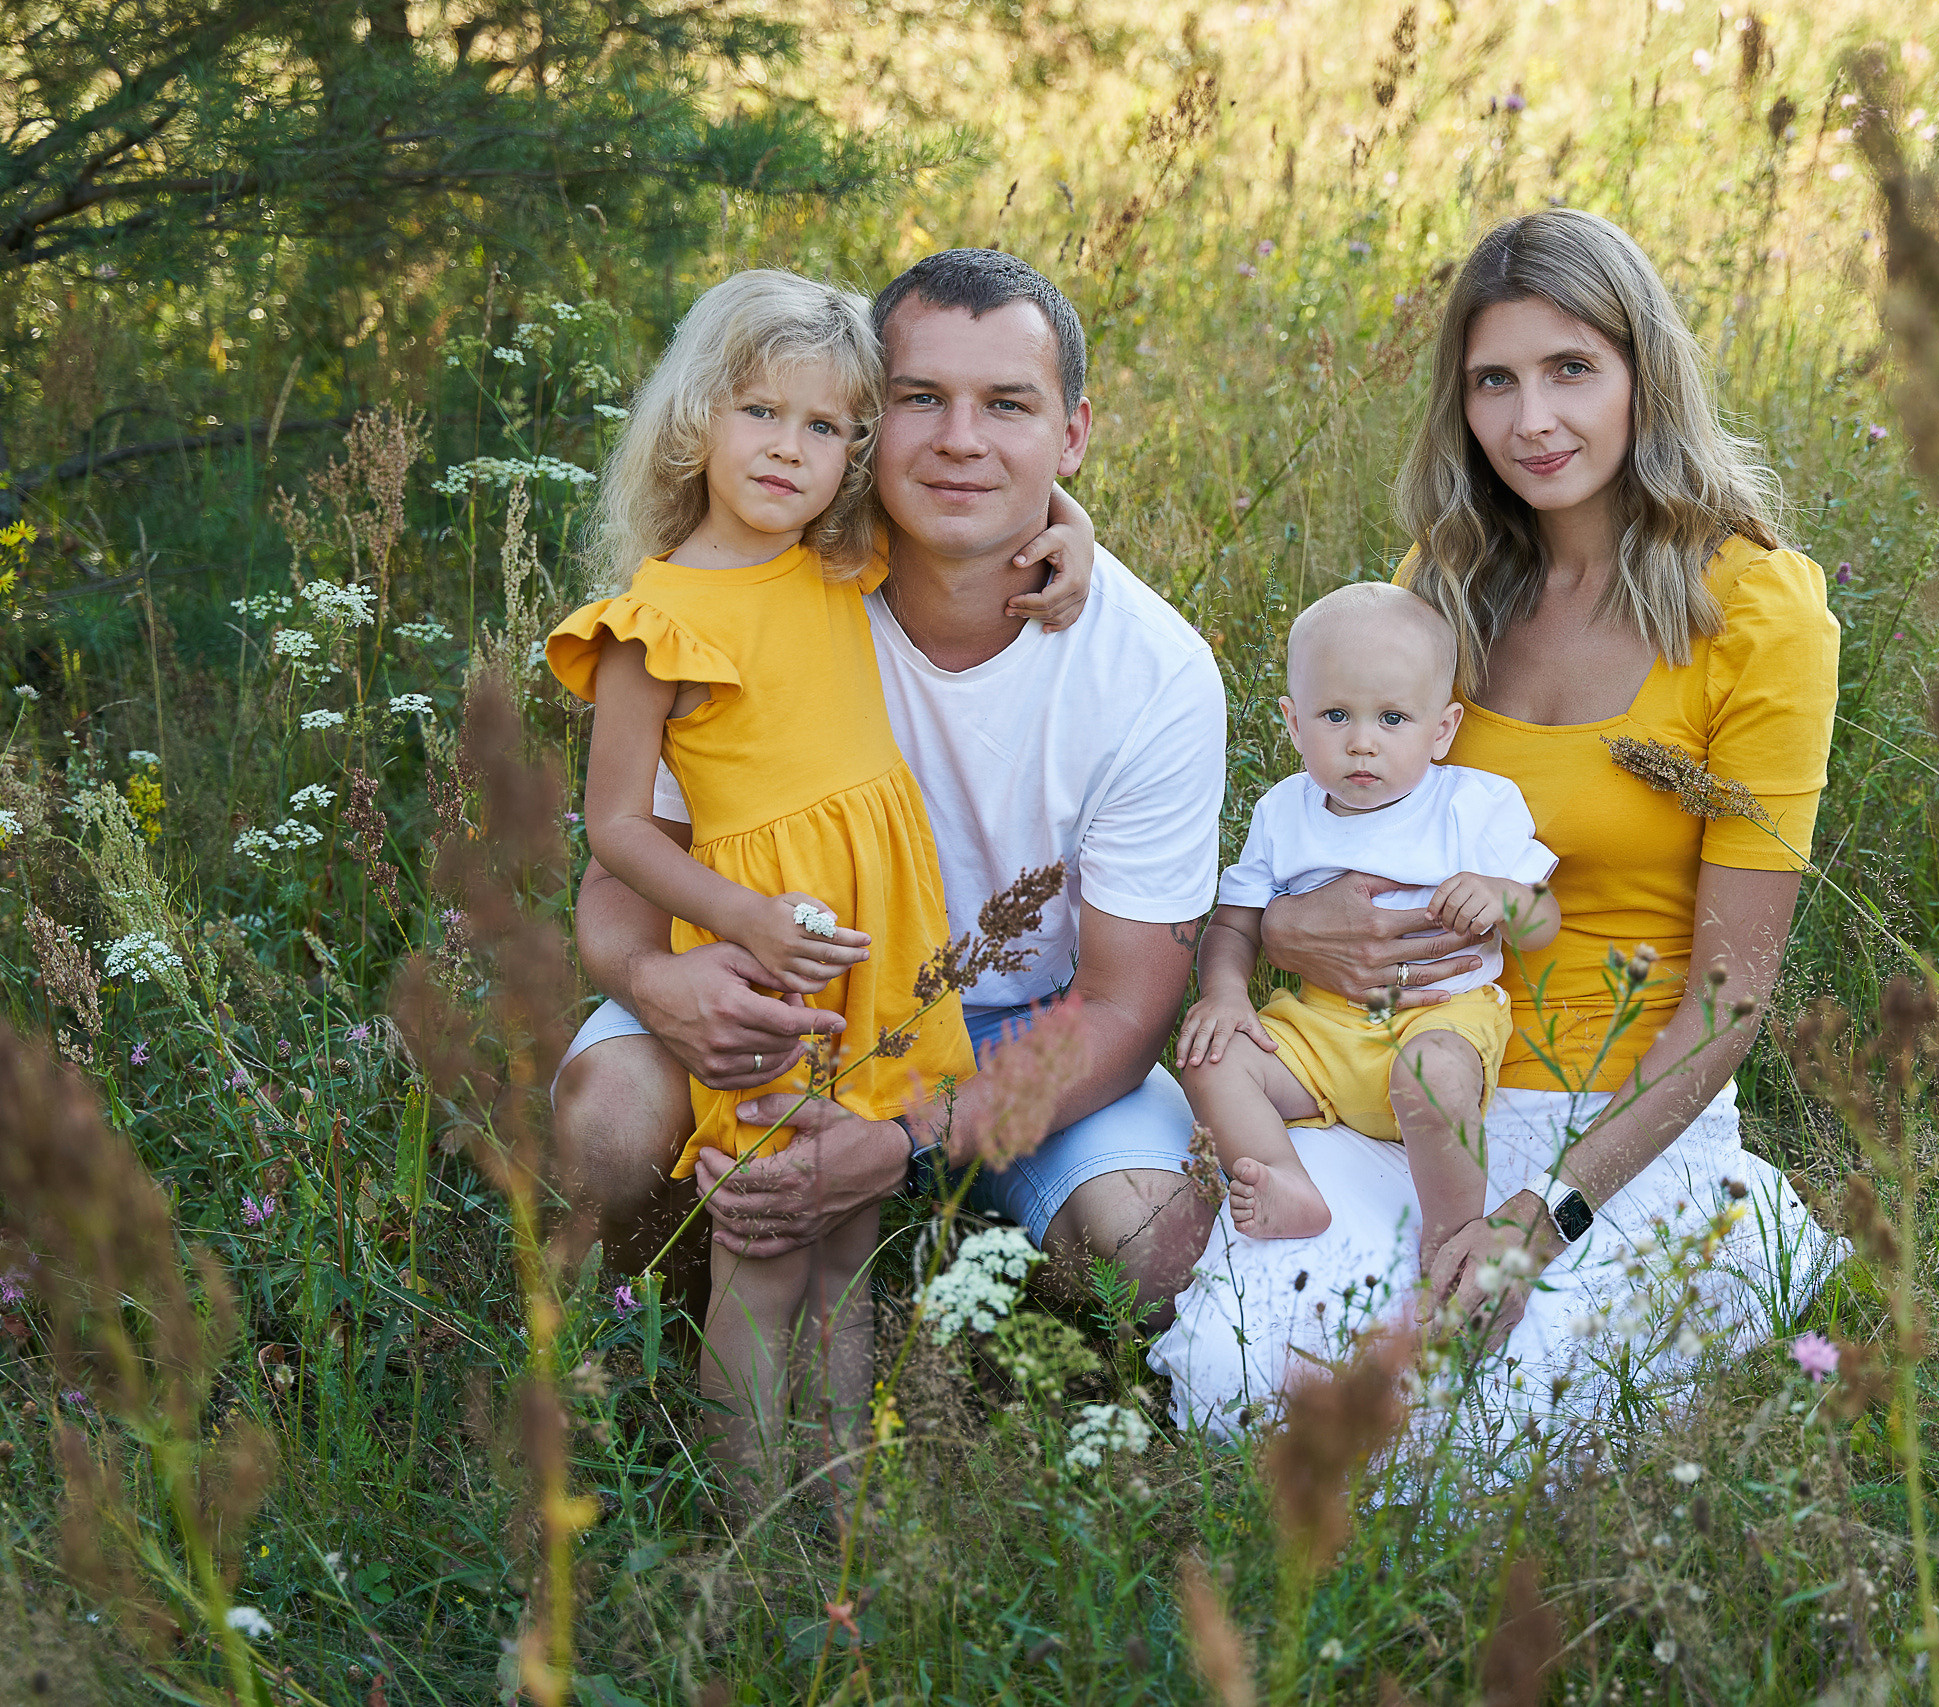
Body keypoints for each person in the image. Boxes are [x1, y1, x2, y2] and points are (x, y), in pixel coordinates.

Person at [1152, 209, 1845, 1446]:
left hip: (1605, 1123)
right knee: (1242, 1383)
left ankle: (1702, 1242)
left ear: (1645, 373)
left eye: (1572, 369)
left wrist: (1547, 1216)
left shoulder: (1757, 608)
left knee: (1470, 1435)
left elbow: (1732, 1004)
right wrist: (1296, 933)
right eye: (1494, 381)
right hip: (1398, 1093)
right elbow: (1335, 819)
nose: (1533, 422)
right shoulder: (1447, 577)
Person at [554, 251, 1227, 1466]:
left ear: (1072, 433)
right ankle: (642, 1340)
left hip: (1017, 1027)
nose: (961, 441)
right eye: (922, 398)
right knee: (608, 1124)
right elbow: (616, 872)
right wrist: (664, 989)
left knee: (1155, 1236)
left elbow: (1128, 1006)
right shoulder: (781, 573)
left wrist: (911, 1132)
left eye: (1008, 407)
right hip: (776, 995)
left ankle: (903, 1384)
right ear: (872, 427)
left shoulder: (1152, 670)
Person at [1175, 582, 1558, 1263]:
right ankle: (1286, 1179)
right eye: (1334, 716)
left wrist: (1504, 896)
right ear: (1292, 723)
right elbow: (1233, 924)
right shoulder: (1283, 813)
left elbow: (1543, 920)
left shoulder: (1471, 805)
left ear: (1441, 731)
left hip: (1439, 1017)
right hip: (1321, 1028)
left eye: (1392, 719)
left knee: (1433, 1076)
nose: (1360, 744)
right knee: (1211, 1057)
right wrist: (1226, 993)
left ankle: (1450, 1236)